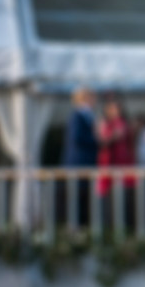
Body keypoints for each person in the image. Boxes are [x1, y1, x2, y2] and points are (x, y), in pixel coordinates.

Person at [95, 95, 137, 229]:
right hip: (107, 168)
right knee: (107, 203)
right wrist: (112, 136)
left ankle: (124, 228)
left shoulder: (124, 124)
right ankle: (108, 228)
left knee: (123, 202)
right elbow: (102, 142)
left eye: (118, 108)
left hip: (123, 168)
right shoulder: (105, 124)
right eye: (112, 108)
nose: (116, 111)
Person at [63, 88, 97, 226]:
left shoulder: (87, 115)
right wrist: (97, 141)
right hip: (79, 164)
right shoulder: (78, 116)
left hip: (85, 164)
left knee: (84, 200)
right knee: (77, 200)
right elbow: (77, 138)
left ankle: (82, 228)